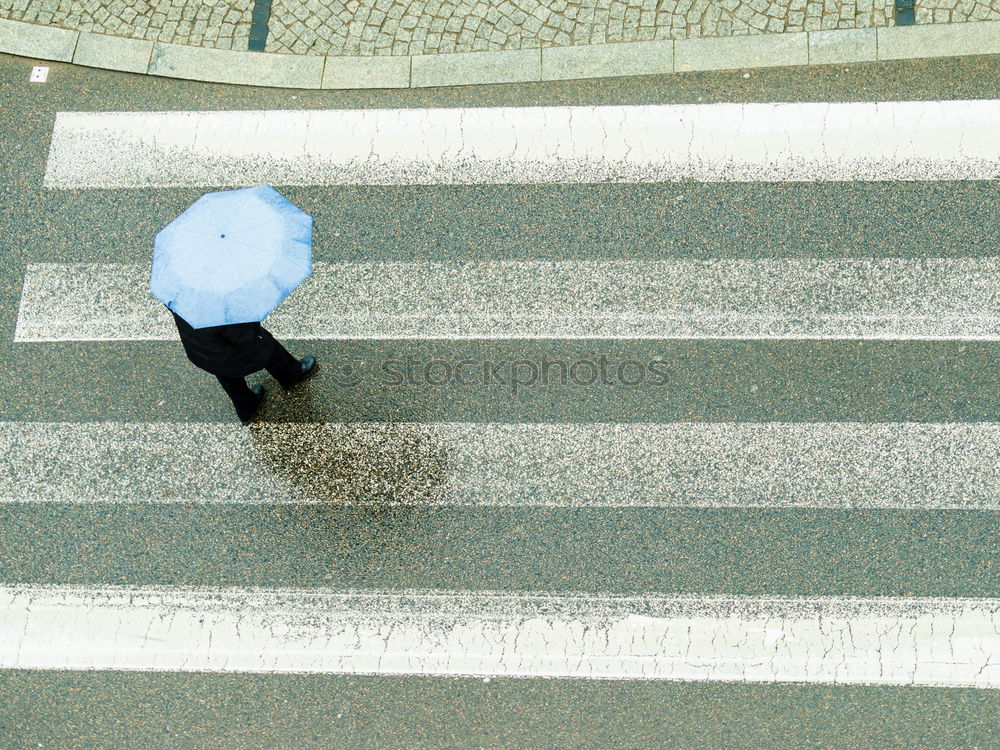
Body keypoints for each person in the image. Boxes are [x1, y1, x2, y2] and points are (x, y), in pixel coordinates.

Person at [170, 310, 316, 423]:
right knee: (267, 347)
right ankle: (291, 374)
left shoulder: (176, 290)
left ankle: (246, 408)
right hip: (228, 347)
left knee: (225, 374)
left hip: (201, 348)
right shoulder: (217, 303)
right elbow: (243, 334)